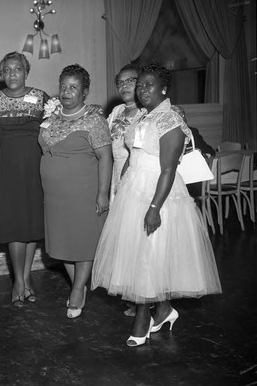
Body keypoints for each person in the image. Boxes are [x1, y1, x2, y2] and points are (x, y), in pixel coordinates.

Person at [91, 63, 222, 347]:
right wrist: (121, 189)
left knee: (149, 256)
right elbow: (133, 154)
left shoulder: (170, 121)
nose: (142, 90)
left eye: (148, 85)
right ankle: (163, 310)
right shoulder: (142, 117)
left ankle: (143, 316)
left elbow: (168, 170)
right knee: (140, 253)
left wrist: (154, 208)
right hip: (133, 191)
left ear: (163, 89)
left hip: (158, 195)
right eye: (140, 85)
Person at [39, 64, 112, 318]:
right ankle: (77, 286)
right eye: (63, 87)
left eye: (73, 87)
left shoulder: (94, 120)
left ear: (85, 92)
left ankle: (77, 290)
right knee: (63, 244)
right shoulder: (51, 118)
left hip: (84, 191)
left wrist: (103, 194)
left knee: (82, 242)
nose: (66, 92)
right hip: (55, 196)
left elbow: (106, 158)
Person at [0, 51, 48, 307]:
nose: (13, 74)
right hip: (6, 168)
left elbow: (51, 131)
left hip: (35, 166)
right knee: (13, 223)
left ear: (26, 72)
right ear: (1, 74)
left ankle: (26, 278)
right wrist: (3, 154)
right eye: (8, 70)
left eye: (18, 69)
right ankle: (18, 283)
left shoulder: (41, 98)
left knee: (31, 221)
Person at [108, 64, 141, 205]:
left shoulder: (146, 111)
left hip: (136, 174)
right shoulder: (117, 110)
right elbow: (103, 135)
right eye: (120, 83)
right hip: (116, 171)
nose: (124, 86)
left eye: (130, 81)